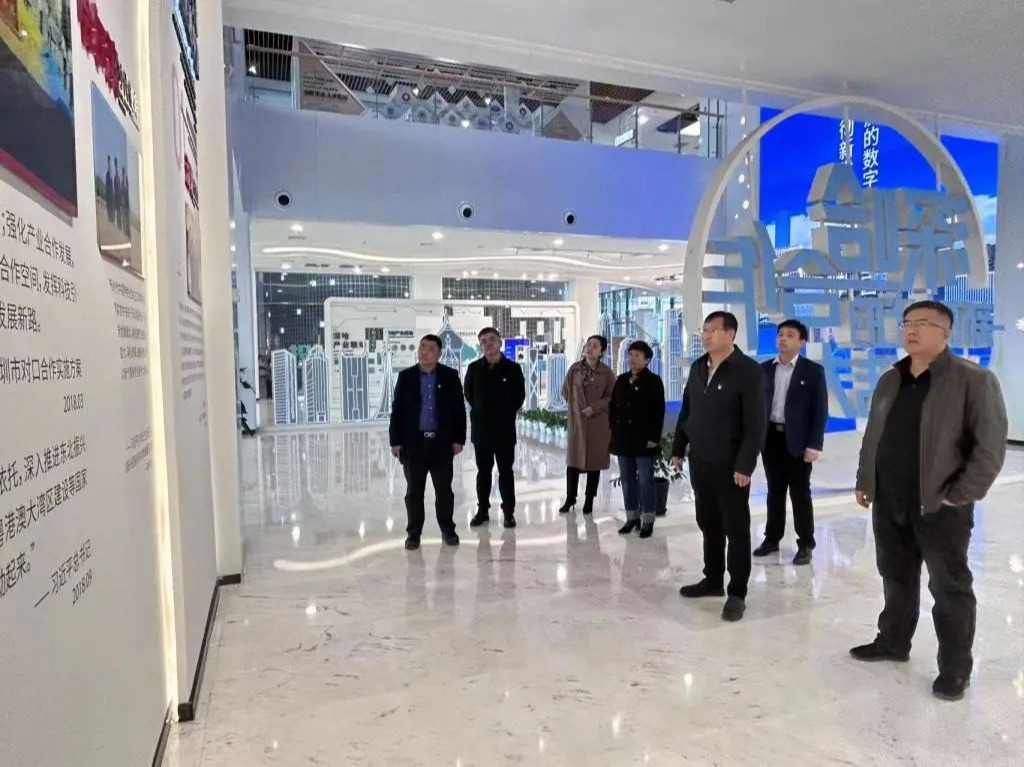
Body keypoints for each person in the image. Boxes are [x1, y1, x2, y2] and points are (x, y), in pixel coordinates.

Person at [850, 300, 1007, 702]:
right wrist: (865, 479)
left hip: (941, 507)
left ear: (946, 333)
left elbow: (990, 447)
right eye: (907, 322)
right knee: (896, 577)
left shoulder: (973, 380)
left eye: (923, 323)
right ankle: (893, 641)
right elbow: (874, 435)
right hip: (890, 501)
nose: (912, 330)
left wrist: (960, 496)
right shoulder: (891, 379)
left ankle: (955, 669)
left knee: (949, 588)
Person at [672, 311, 766, 622]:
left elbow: (756, 424)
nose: (706, 335)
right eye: (704, 330)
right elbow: (687, 411)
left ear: (731, 334)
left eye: (713, 330)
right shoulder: (699, 367)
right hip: (701, 463)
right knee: (708, 524)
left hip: (731, 468)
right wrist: (678, 449)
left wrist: (745, 465)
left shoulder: (748, 371)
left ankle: (737, 592)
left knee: (735, 529)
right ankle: (712, 579)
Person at [754, 319, 829, 565]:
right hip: (771, 439)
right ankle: (772, 538)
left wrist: (814, 445)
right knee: (774, 492)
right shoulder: (764, 369)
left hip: (797, 441)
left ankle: (806, 543)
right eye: (780, 335)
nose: (783, 339)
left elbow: (820, 411)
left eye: (789, 335)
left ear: (801, 341)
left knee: (800, 493)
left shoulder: (813, 371)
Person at [389, 334, 467, 551]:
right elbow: (397, 411)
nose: (425, 352)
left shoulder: (450, 376)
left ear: (439, 354)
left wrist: (458, 439)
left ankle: (448, 530)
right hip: (413, 445)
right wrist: (395, 441)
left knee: (444, 491)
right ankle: (413, 534)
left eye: (431, 349)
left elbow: (459, 411)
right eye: (422, 347)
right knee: (414, 492)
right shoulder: (406, 377)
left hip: (441, 445)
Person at [464, 327, 526, 529]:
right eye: (483, 341)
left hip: (504, 430)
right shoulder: (474, 368)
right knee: (483, 472)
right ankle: (482, 510)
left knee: (506, 472)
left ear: (500, 342)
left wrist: (505, 413)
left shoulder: (513, 369)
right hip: (481, 430)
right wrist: (482, 411)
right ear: (480, 346)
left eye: (492, 339)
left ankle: (508, 512)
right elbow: (469, 394)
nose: (488, 344)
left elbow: (519, 396)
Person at [610, 340, 665, 539]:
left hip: (644, 439)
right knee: (626, 479)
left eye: (637, 355)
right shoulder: (621, 380)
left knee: (645, 480)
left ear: (647, 360)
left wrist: (654, 438)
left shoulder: (654, 381)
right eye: (630, 354)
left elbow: (658, 412)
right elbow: (613, 408)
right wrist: (613, 430)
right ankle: (631, 517)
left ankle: (647, 520)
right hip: (623, 439)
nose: (632, 358)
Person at [559, 335, 616, 515]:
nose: (590, 348)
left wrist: (595, 407)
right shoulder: (574, 369)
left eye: (595, 346)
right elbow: (565, 391)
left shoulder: (607, 373)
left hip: (597, 423)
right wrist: (576, 407)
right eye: (588, 345)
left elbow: (612, 397)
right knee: (573, 462)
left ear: (601, 352)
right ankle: (570, 498)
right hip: (577, 422)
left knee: (594, 463)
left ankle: (589, 499)